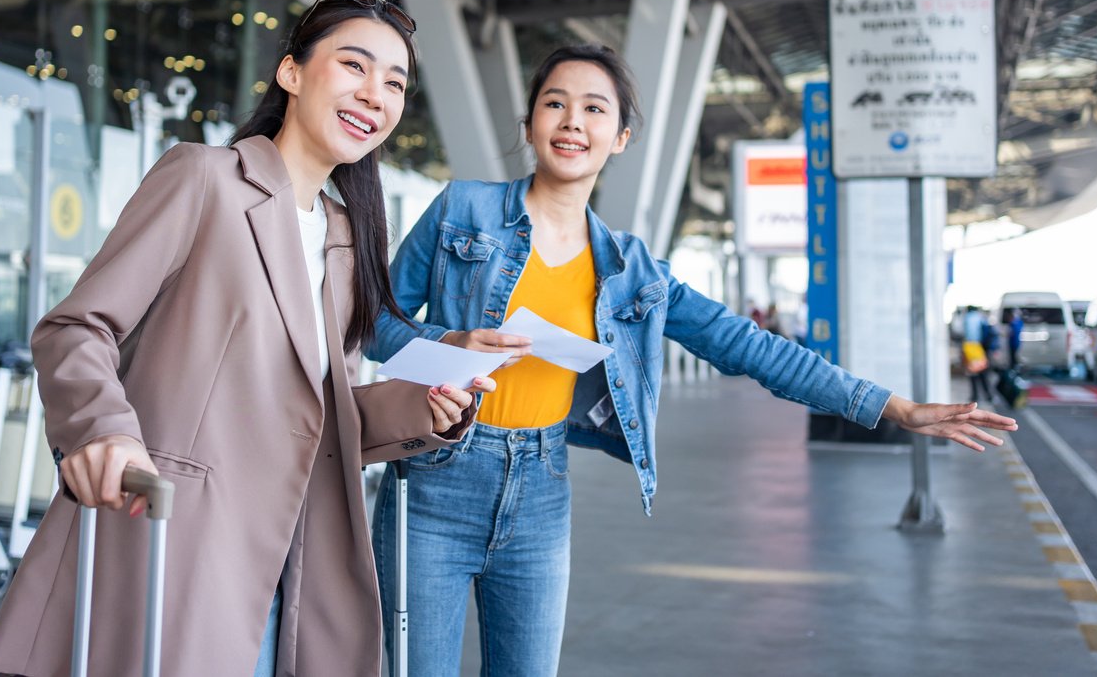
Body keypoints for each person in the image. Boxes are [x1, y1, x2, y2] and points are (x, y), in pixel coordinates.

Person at [368, 43, 1018, 677]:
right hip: (437, 479)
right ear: (531, 122)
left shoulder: (633, 271)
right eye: (555, 103)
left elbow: (749, 346)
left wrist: (891, 406)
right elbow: (374, 325)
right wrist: (446, 351)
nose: (572, 121)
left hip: (540, 491)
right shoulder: (463, 211)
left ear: (620, 136)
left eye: (595, 109)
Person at [0, 0, 494, 677]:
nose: (377, 94)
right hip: (184, 548)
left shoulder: (344, 238)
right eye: (354, 65)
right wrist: (103, 429)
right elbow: (75, 328)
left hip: (296, 568)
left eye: (396, 83)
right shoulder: (205, 180)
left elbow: (314, 415)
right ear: (291, 71)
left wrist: (424, 403)